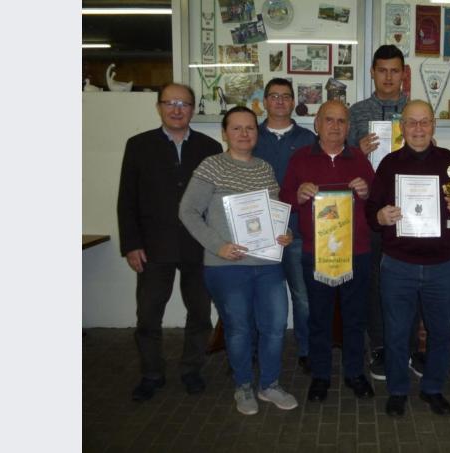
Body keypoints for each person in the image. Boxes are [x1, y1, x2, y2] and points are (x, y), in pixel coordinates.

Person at [179, 106, 299, 415]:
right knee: (239, 329)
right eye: (237, 128)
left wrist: (283, 232)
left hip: (267, 264)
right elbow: (188, 211)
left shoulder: (264, 168)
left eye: (250, 128)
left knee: (274, 326)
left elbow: (272, 214)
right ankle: (243, 386)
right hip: (226, 266)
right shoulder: (211, 166)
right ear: (224, 133)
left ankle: (269, 385)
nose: (244, 133)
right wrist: (218, 246)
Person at [366, 100, 450, 416]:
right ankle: (398, 390)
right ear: (402, 127)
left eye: (424, 122)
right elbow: (371, 210)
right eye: (411, 122)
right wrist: (381, 217)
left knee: (441, 332)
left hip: (442, 265)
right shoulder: (388, 164)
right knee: (397, 333)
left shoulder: (449, 161)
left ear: (433, 125)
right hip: (398, 264)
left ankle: (432, 388)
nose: (418, 128)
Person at [117, 83, 221, 402]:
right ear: (159, 107)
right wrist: (131, 244)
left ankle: (192, 369)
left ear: (193, 109)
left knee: (200, 314)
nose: (177, 109)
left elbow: (217, 202)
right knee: (148, 316)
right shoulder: (138, 145)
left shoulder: (209, 147)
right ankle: (151, 373)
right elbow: (127, 200)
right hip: (152, 247)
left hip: (197, 245)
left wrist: (218, 244)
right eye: (170, 103)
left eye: (184, 104)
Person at [280, 100, 376, 402]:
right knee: (319, 317)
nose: (336, 126)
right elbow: (284, 200)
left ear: (348, 127)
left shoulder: (360, 159)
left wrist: (367, 192)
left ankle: (354, 373)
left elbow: (375, 204)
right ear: (317, 124)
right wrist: (297, 195)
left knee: (355, 317)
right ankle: (320, 376)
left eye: (342, 121)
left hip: (356, 252)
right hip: (317, 252)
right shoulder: (300, 160)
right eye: (329, 120)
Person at [347, 44, 425, 381]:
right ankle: (379, 347)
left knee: (413, 280)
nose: (389, 77)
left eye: (395, 70)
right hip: (373, 211)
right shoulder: (357, 112)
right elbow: (343, 160)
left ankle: (410, 347)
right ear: (373, 73)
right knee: (377, 281)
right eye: (383, 70)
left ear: (403, 73)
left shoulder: (416, 110)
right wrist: (357, 151)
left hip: (413, 210)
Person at [253, 78, 317, 374]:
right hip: (258, 233)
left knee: (303, 297)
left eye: (285, 96)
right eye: (273, 96)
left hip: (297, 234)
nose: (279, 101)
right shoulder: (251, 136)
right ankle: (258, 349)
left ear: (294, 102)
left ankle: (306, 349)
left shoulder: (307, 140)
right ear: (264, 102)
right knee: (259, 294)